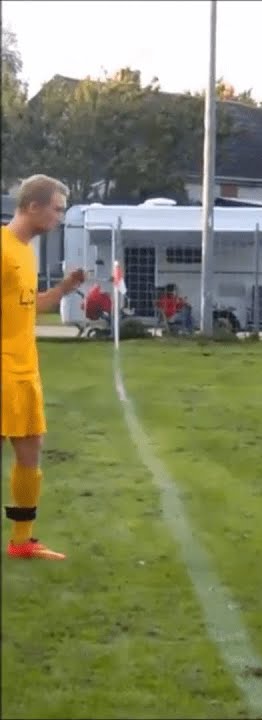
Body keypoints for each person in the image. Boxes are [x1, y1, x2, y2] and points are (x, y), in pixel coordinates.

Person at [2, 174, 85, 560]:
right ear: (33, 207)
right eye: (57, 209)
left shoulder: (26, 252)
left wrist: (65, 289)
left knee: (31, 453)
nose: (60, 217)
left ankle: (21, 541)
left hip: (24, 371)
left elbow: (31, 305)